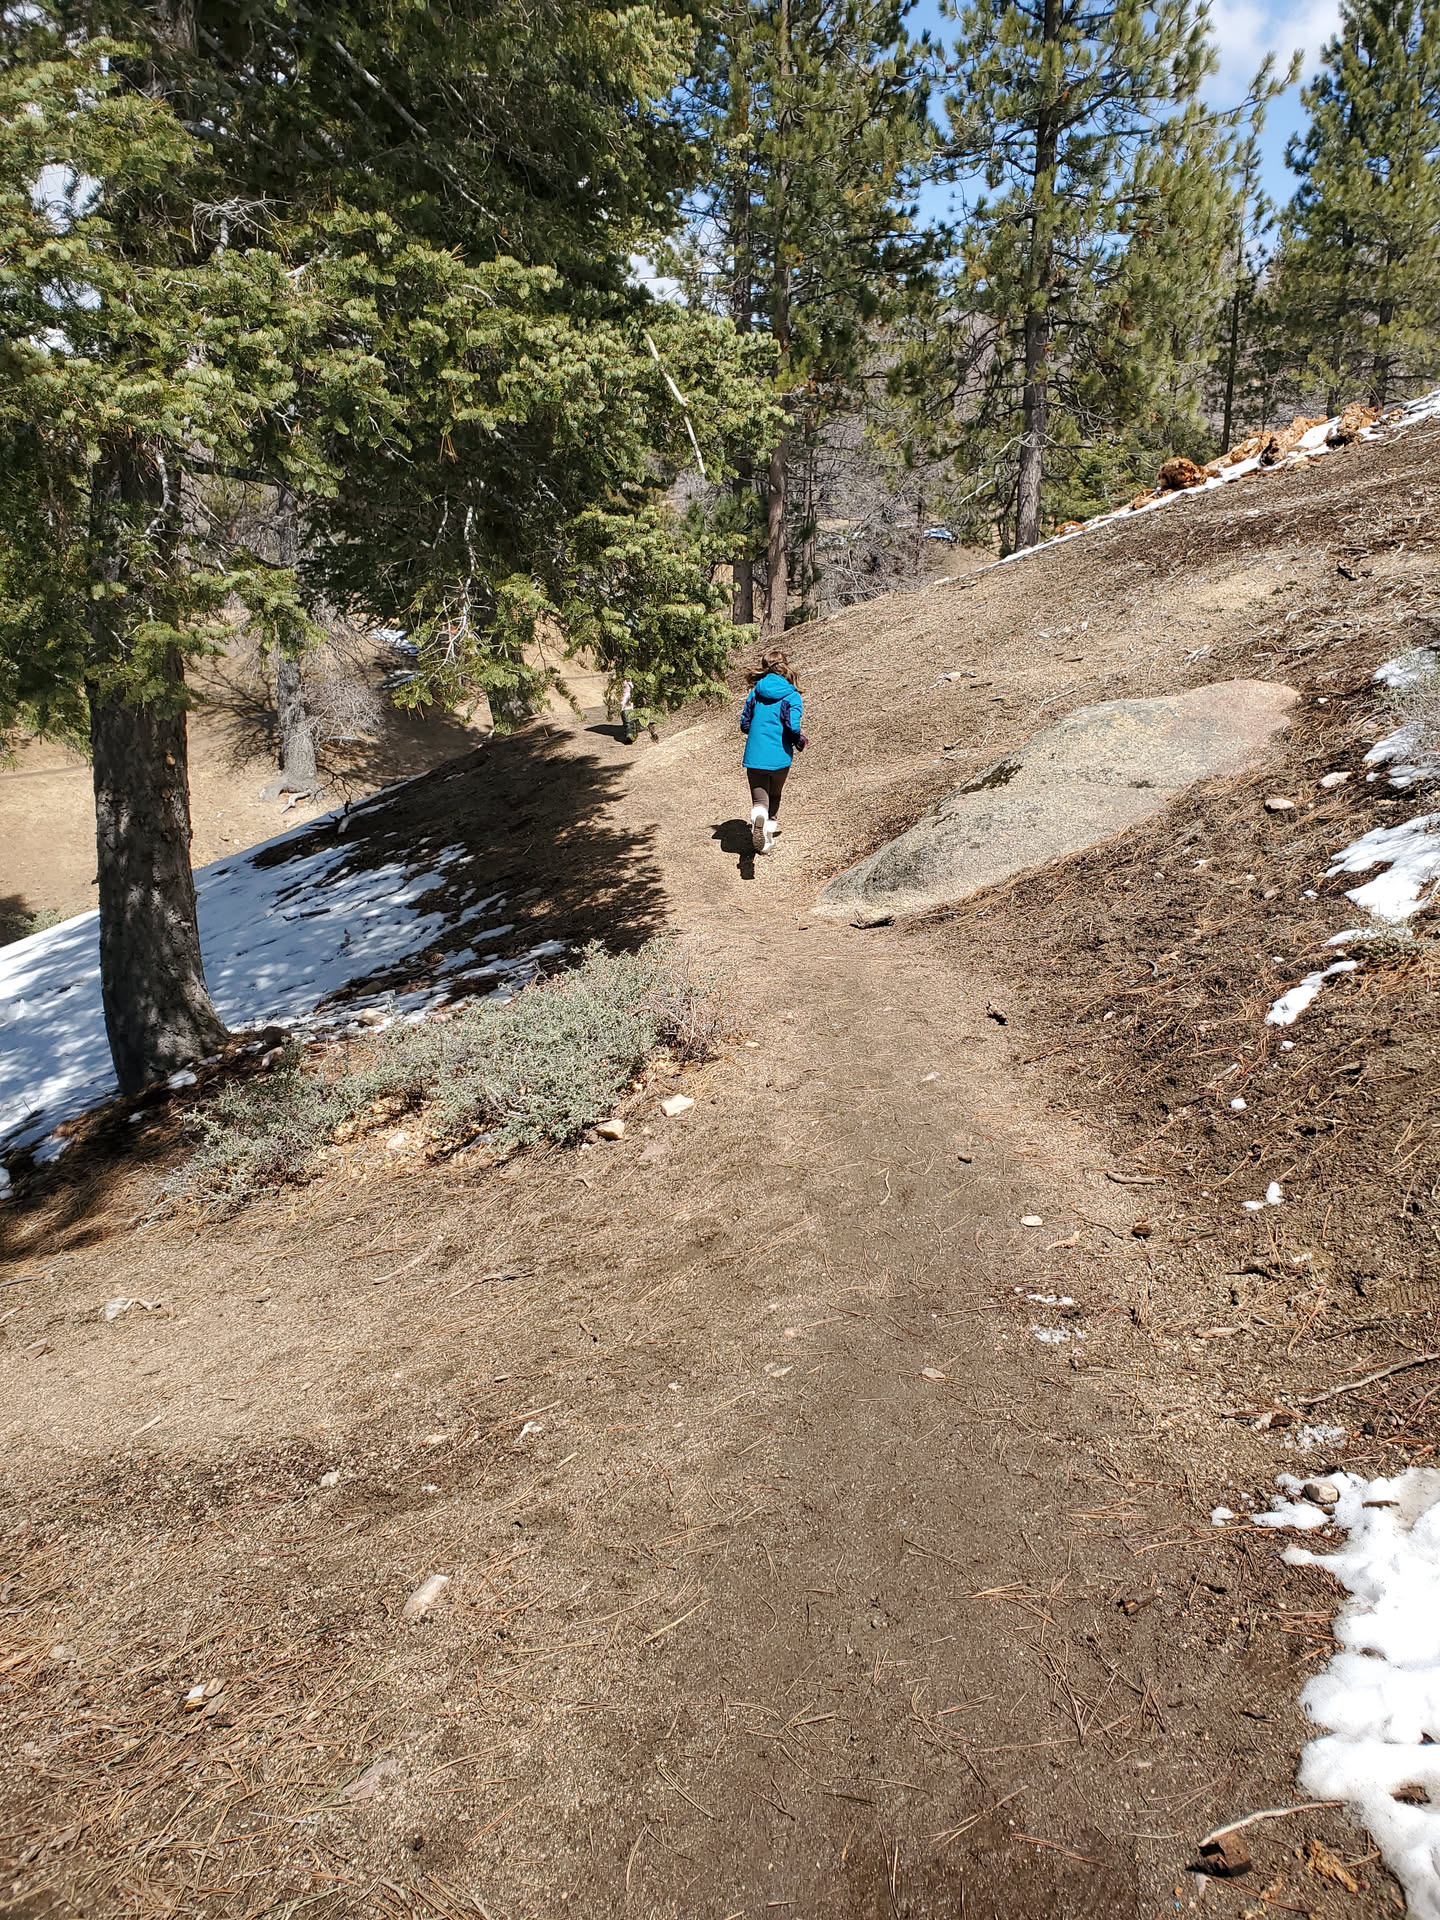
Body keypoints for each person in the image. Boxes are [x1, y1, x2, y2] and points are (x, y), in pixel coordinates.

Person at [739, 652, 807, 854]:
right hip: (780, 755)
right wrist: (799, 740)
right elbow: (793, 727)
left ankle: (758, 815)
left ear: (764, 667)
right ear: (785, 666)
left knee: (760, 801)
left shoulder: (755, 693)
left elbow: (744, 723)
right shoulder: (792, 695)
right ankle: (767, 838)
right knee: (775, 795)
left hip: (755, 755)